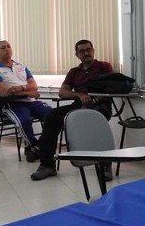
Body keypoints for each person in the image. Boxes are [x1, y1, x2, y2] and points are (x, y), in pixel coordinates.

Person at [31, 39, 114, 181]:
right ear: (77, 55)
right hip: (78, 105)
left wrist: (92, 99)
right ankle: (47, 165)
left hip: (100, 105)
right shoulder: (74, 72)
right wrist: (80, 96)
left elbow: (112, 87)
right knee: (51, 116)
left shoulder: (104, 67)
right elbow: (62, 92)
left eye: (88, 50)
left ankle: (105, 165)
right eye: (82, 51)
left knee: (96, 121)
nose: (86, 53)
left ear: (93, 51)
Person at [0, 40, 52, 162]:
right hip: (13, 104)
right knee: (24, 121)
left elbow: (34, 86)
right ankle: (32, 145)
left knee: (53, 116)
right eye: (3, 48)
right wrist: (29, 92)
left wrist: (21, 89)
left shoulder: (21, 67)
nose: (7, 49)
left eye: (8, 46)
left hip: (32, 101)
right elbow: (5, 93)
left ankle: (42, 144)